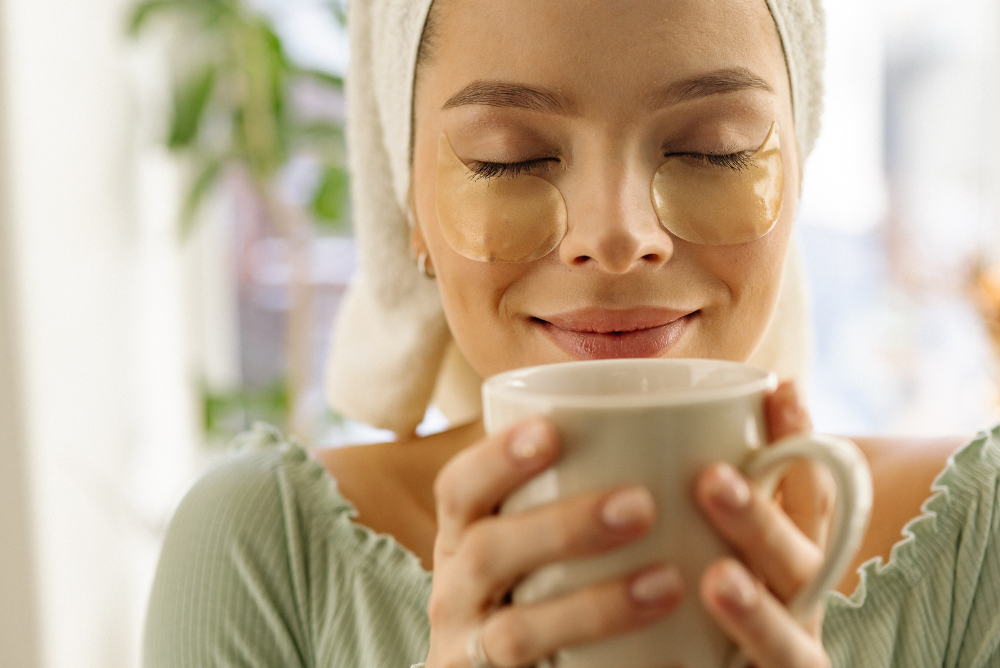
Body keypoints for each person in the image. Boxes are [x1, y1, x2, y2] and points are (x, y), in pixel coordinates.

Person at [143, 1, 1000, 667]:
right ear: (411, 208)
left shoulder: (979, 546)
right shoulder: (266, 552)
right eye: (508, 159)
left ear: (800, 174)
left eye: (713, 149)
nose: (618, 236)